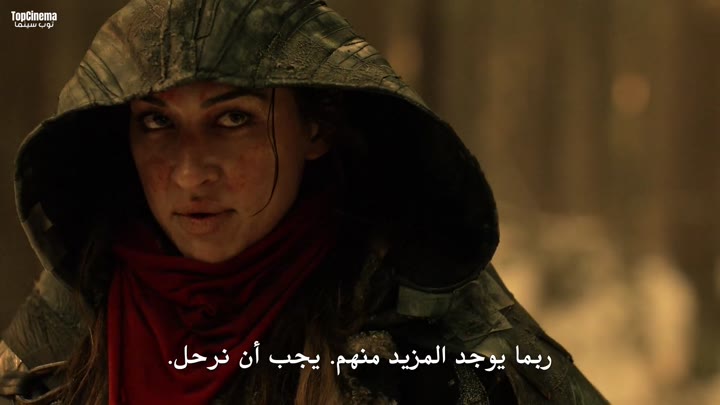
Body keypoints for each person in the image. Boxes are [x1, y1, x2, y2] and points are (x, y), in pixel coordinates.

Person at [0, 0, 609, 404]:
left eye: (232, 119)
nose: (188, 174)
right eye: (157, 123)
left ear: (314, 130)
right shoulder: (77, 313)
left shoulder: (425, 329)